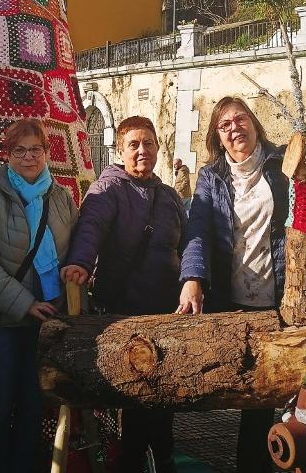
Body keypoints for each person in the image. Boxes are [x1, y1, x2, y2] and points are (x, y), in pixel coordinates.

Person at [176, 96, 306, 472]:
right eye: (225, 125)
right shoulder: (212, 176)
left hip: (281, 294)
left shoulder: (283, 162)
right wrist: (192, 279)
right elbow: (198, 228)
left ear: (255, 124)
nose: (234, 128)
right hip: (233, 296)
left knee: (280, 392)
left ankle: (275, 461)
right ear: (217, 137)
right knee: (245, 389)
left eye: (241, 120)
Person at [61, 116, 185, 473]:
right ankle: (135, 464)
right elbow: (91, 227)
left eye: (148, 143)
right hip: (125, 310)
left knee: (164, 399)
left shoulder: (170, 197)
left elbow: (189, 241)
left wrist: (194, 278)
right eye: (134, 144)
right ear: (120, 150)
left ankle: (163, 462)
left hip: (166, 311)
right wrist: (80, 264)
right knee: (135, 398)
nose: (142, 150)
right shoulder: (108, 189)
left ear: (158, 148)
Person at [0, 118, 78, 473]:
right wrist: (24, 303)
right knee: (0, 404)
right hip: (7, 320)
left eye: (35, 150)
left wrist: (70, 286)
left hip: (50, 319)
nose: (28, 157)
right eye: (19, 150)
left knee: (34, 404)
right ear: (7, 154)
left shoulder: (60, 197)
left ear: (47, 152)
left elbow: (76, 249)